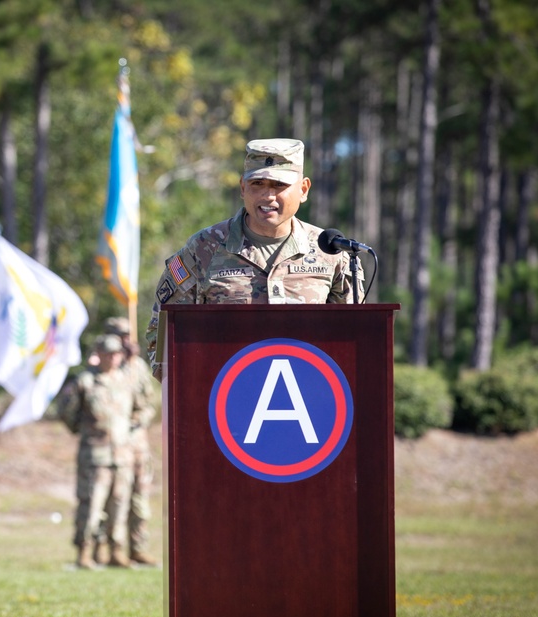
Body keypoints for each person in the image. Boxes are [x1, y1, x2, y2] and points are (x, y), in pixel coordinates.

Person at [146, 138, 364, 379]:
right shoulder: (203, 248)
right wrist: (192, 395)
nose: (267, 195)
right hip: (222, 403)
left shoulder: (330, 252)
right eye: (257, 183)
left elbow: (355, 341)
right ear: (242, 188)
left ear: (303, 190)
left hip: (307, 402)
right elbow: (162, 338)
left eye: (279, 185)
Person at [57, 334, 135, 569]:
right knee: (91, 505)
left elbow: (142, 408)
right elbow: (66, 410)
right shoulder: (85, 381)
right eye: (108, 353)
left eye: (116, 353)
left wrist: (131, 429)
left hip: (122, 456)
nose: (113, 358)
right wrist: (80, 429)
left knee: (119, 506)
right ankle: (85, 551)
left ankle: (116, 551)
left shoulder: (126, 380)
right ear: (98, 354)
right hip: (95, 456)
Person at [93, 317, 158, 566]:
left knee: (139, 497)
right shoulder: (100, 367)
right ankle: (103, 547)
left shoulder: (137, 367)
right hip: (109, 445)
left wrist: (137, 420)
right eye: (118, 335)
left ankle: (138, 546)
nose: (123, 340)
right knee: (108, 498)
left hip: (136, 444)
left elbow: (148, 405)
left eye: (126, 335)